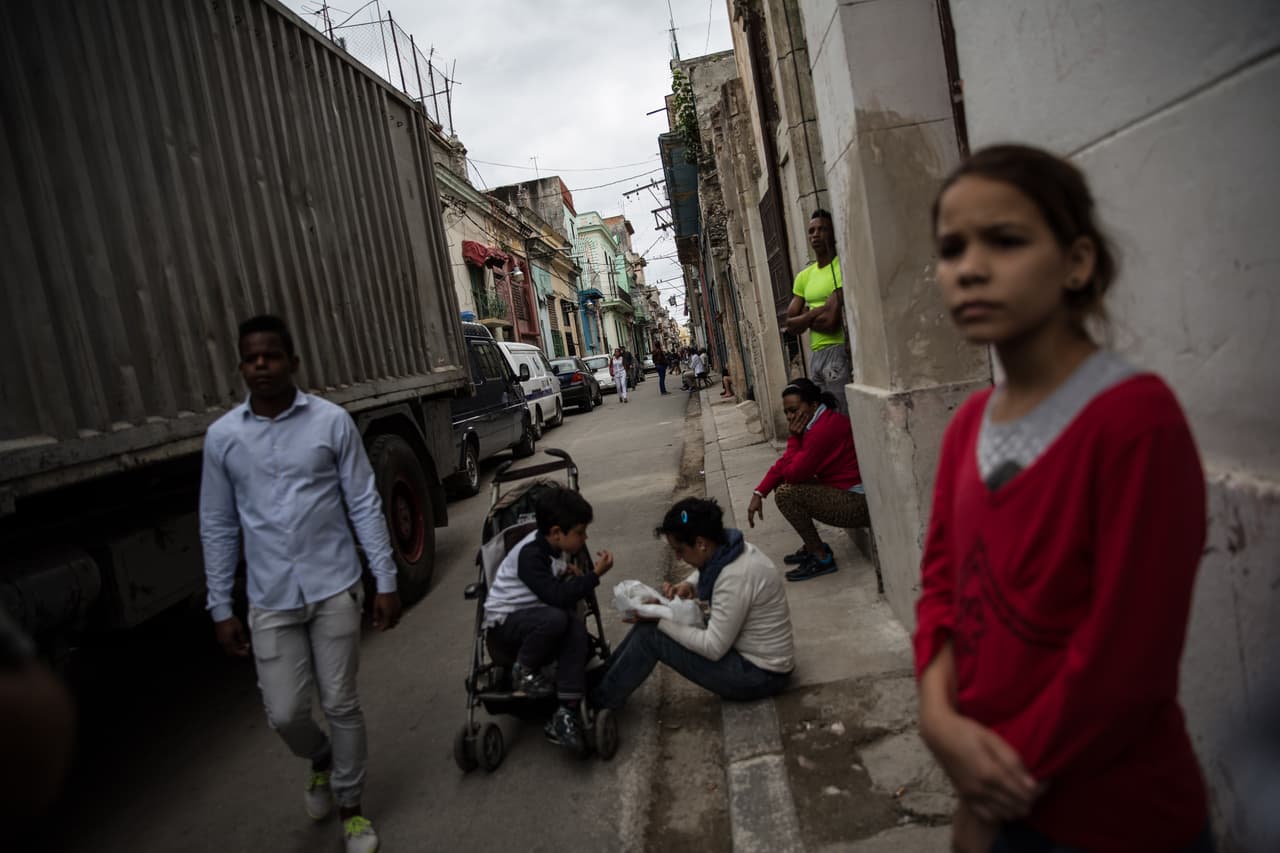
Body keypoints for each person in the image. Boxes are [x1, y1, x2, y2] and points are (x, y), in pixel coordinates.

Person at [914, 145, 1213, 853]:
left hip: (1110, 815)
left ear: (1077, 262)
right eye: (952, 248)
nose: (971, 267)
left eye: (1006, 240)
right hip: (991, 784)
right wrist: (937, 718)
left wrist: (991, 798)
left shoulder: (1137, 420)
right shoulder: (966, 428)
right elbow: (941, 587)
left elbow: (1125, 663)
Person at [200, 314, 400, 853]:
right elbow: (217, 524)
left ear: (293, 361)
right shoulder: (223, 439)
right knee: (286, 713)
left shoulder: (330, 423)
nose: (260, 364)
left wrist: (385, 578)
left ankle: (352, 809)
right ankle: (319, 758)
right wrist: (220, 605)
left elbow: (363, 501)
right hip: (269, 598)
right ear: (241, 366)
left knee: (341, 702)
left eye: (271, 354)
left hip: (335, 586)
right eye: (250, 357)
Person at [590, 498, 794, 710]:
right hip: (748, 656)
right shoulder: (732, 550)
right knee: (651, 623)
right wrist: (688, 585)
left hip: (760, 675)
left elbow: (713, 647)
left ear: (701, 544)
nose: (678, 558)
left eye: (680, 550)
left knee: (651, 634)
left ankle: (599, 703)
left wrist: (660, 618)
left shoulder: (735, 576)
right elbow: (708, 571)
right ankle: (602, 679)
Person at [483, 487, 614, 753]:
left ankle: (565, 712)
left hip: (534, 619)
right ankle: (523, 671)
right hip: (505, 625)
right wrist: (593, 575)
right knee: (557, 617)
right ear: (556, 533)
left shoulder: (548, 548)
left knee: (575, 627)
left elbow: (553, 570)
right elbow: (555, 595)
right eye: (580, 532)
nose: (584, 538)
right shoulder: (529, 555)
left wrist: (568, 568)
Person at [747, 378, 865, 581]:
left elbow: (793, 473)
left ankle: (820, 557)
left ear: (813, 405)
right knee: (782, 486)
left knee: (786, 493)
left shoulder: (821, 430)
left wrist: (794, 438)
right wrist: (759, 492)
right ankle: (812, 546)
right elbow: (785, 465)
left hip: (857, 504)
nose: (790, 416)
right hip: (842, 490)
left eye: (794, 410)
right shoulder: (816, 423)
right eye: (786, 412)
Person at [785, 209, 849, 412]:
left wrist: (804, 316)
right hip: (815, 355)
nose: (816, 235)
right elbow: (791, 325)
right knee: (823, 415)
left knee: (841, 414)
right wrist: (814, 313)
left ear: (832, 233)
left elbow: (831, 322)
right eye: (811, 230)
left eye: (822, 229)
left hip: (837, 351)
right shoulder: (804, 277)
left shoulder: (841, 268)